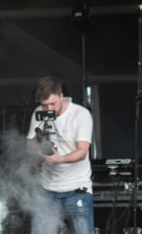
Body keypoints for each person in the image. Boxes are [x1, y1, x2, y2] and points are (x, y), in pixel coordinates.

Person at [26, 76, 93, 234]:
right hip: (47, 189)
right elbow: (29, 146)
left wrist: (59, 159)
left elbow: (82, 151)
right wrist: (39, 147)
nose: (48, 108)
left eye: (52, 104)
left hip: (77, 189)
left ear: (61, 96)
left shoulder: (80, 114)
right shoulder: (39, 113)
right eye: (44, 105)